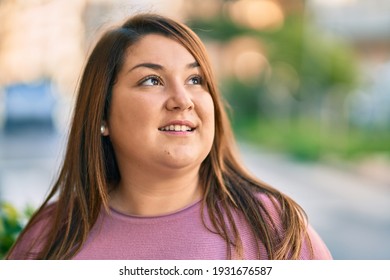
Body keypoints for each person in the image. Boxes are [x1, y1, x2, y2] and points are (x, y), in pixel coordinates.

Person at [6, 13, 332, 260]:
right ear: (101, 114)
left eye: (195, 79)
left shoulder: (275, 227)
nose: (183, 99)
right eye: (151, 80)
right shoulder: (48, 241)